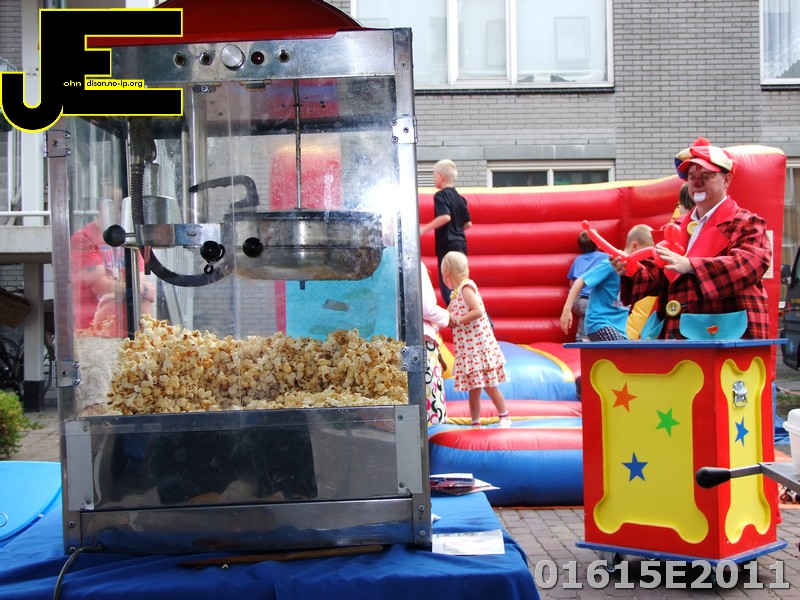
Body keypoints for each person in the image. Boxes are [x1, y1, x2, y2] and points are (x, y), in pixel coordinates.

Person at [614, 137, 771, 340]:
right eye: (691, 177)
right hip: (675, 337)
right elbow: (657, 274)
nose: (697, 183)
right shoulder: (674, 228)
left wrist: (691, 265)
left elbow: (747, 266)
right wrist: (631, 269)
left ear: (726, 180)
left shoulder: (747, 223)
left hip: (723, 337)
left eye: (706, 176)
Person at [441, 251, 510, 428]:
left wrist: (458, 320)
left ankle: (504, 416)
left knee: (490, 386)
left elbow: (477, 311)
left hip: (479, 348)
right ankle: (475, 423)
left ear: (447, 271)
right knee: (474, 389)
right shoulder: (456, 293)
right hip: (468, 349)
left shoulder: (466, 288)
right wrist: (434, 324)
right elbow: (445, 315)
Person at [71, 197, 155, 336]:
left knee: (145, 301)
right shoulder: (84, 237)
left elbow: (140, 281)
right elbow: (100, 285)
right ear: (103, 207)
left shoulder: (130, 238)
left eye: (123, 208)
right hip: (93, 329)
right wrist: (141, 290)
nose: (120, 213)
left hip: (127, 327)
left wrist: (136, 289)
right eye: (116, 207)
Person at [560, 225, 655, 341]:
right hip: (600, 323)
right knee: (621, 348)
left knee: (628, 350)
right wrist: (567, 310)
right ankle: (582, 338)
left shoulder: (638, 272)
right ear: (634, 246)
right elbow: (580, 280)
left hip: (619, 330)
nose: (648, 260)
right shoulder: (613, 263)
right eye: (647, 254)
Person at [420, 159, 472, 304]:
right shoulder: (460, 198)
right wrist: (456, 229)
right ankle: (474, 312)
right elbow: (468, 224)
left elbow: (445, 216)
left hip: (447, 246)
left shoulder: (441, 195)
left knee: (448, 288)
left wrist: (424, 229)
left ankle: (458, 315)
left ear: (442, 176)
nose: (434, 179)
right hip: (460, 245)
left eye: (434, 176)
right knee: (461, 284)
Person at [421, 261, 454, 424]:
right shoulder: (413, 264)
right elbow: (427, 308)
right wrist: (448, 318)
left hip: (388, 341)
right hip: (421, 343)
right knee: (433, 412)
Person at [566, 230, 609, 341]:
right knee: (590, 311)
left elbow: (571, 282)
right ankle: (582, 337)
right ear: (598, 244)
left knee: (587, 311)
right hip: (589, 300)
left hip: (577, 300)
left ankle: (585, 337)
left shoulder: (578, 259)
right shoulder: (606, 257)